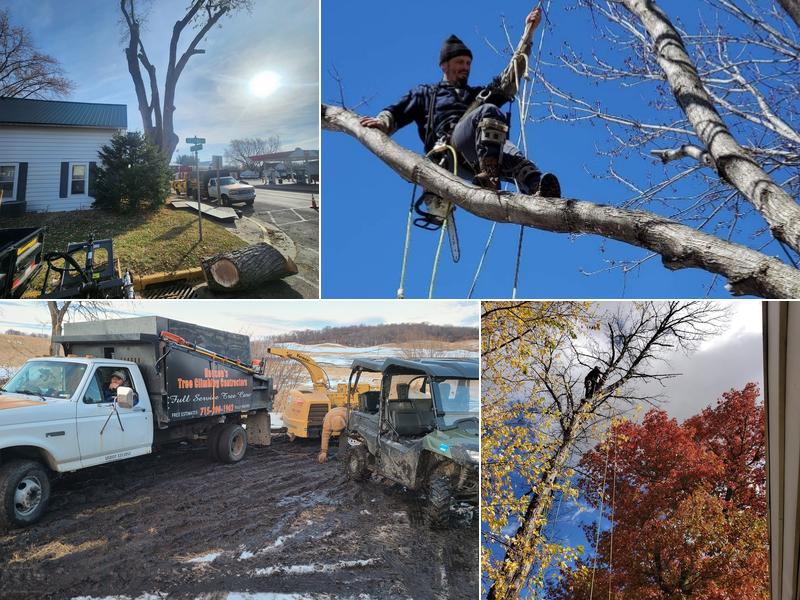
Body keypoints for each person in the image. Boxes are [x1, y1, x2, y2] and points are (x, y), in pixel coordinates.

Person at [359, 7, 560, 198]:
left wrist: (528, 33)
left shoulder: (477, 94)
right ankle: (490, 176)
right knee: (488, 110)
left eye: (468, 63)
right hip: (449, 153)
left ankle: (538, 188)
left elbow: (510, 77)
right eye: (459, 62)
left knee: (513, 152)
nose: (465, 67)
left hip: (478, 153)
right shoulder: (426, 93)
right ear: (444, 65)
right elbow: (397, 110)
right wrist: (382, 122)